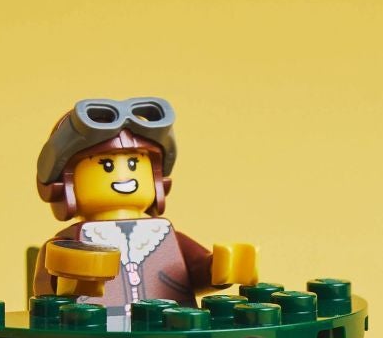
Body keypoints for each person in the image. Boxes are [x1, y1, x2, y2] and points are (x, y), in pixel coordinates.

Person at [33, 97, 256, 314]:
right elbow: (48, 293)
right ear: (66, 184)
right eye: (107, 165)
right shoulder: (69, 243)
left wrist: (220, 267)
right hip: (100, 331)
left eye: (134, 163)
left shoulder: (165, 236)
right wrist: (72, 280)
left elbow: (196, 271)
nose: (126, 176)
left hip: (171, 329)